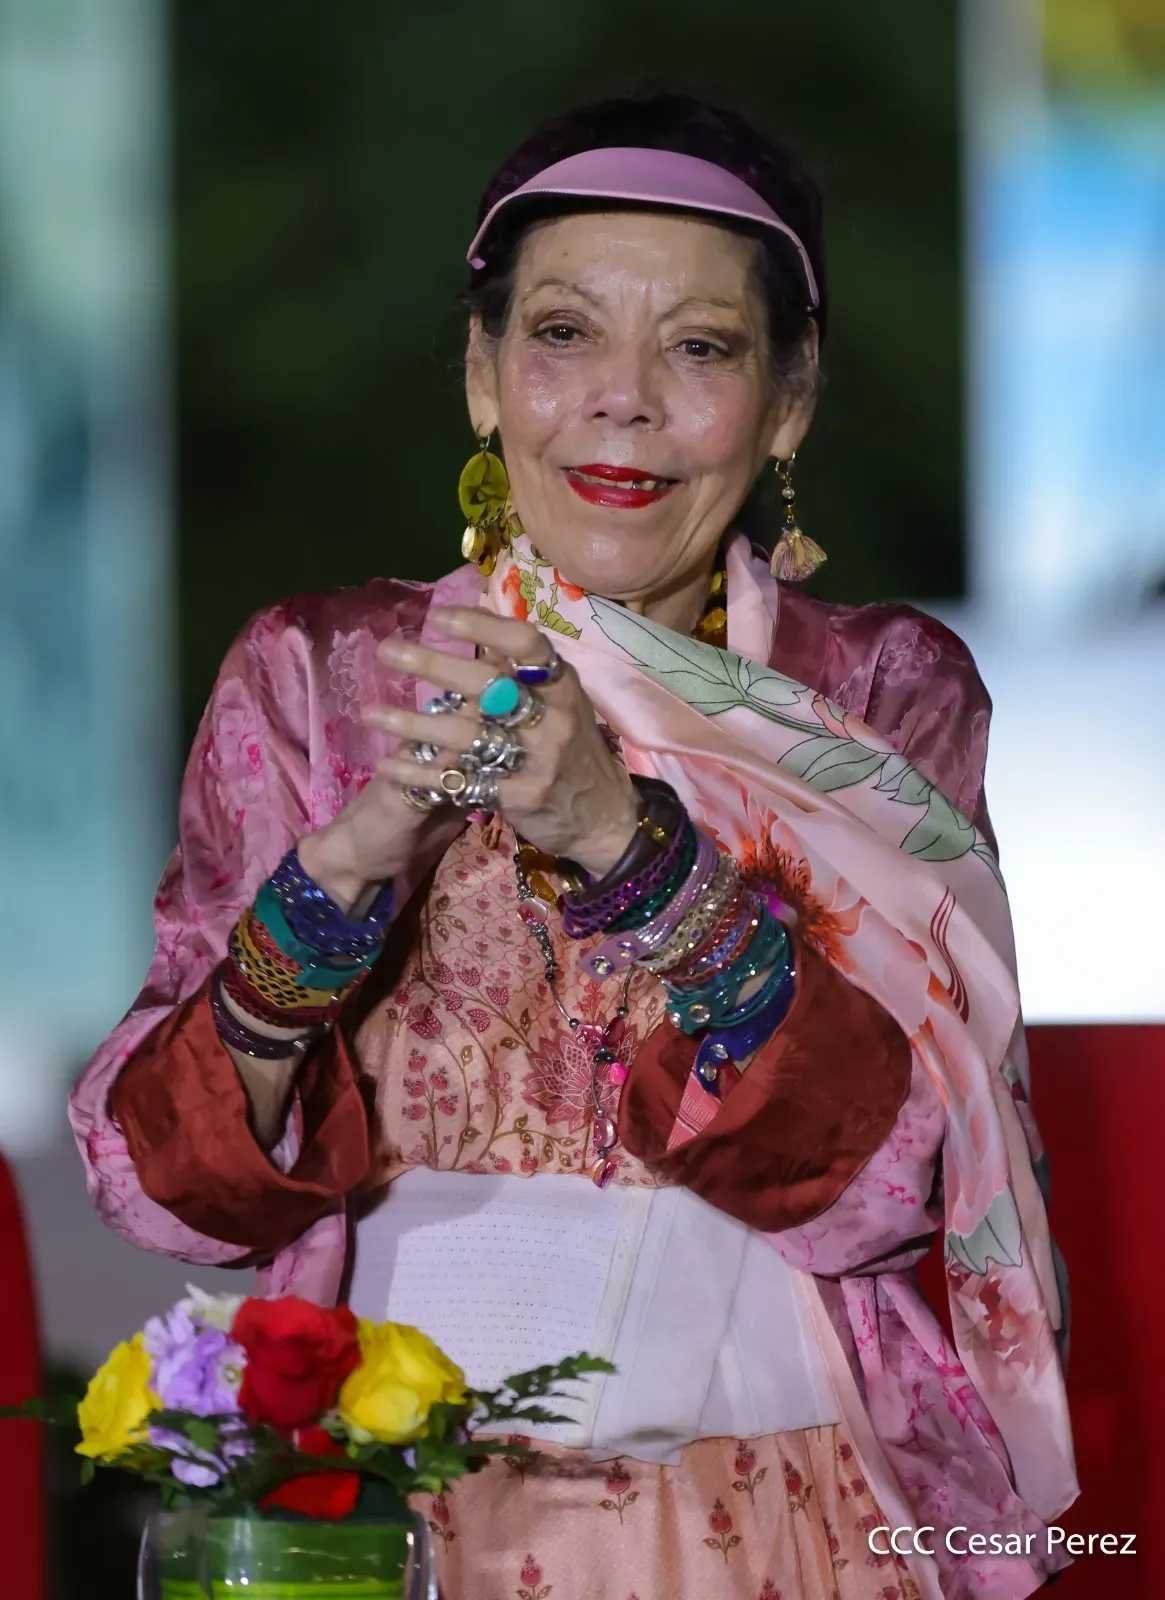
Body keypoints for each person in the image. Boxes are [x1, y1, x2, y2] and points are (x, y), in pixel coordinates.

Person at [70, 92, 1076, 1600]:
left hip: (783, 1511)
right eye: (562, 334)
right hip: (387, 1522)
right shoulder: (324, 676)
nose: (623, 399)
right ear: (483, 379)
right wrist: (353, 862)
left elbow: (886, 1183)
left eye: (700, 347)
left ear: (788, 403)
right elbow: (160, 1189)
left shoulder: (873, 700)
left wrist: (623, 836)